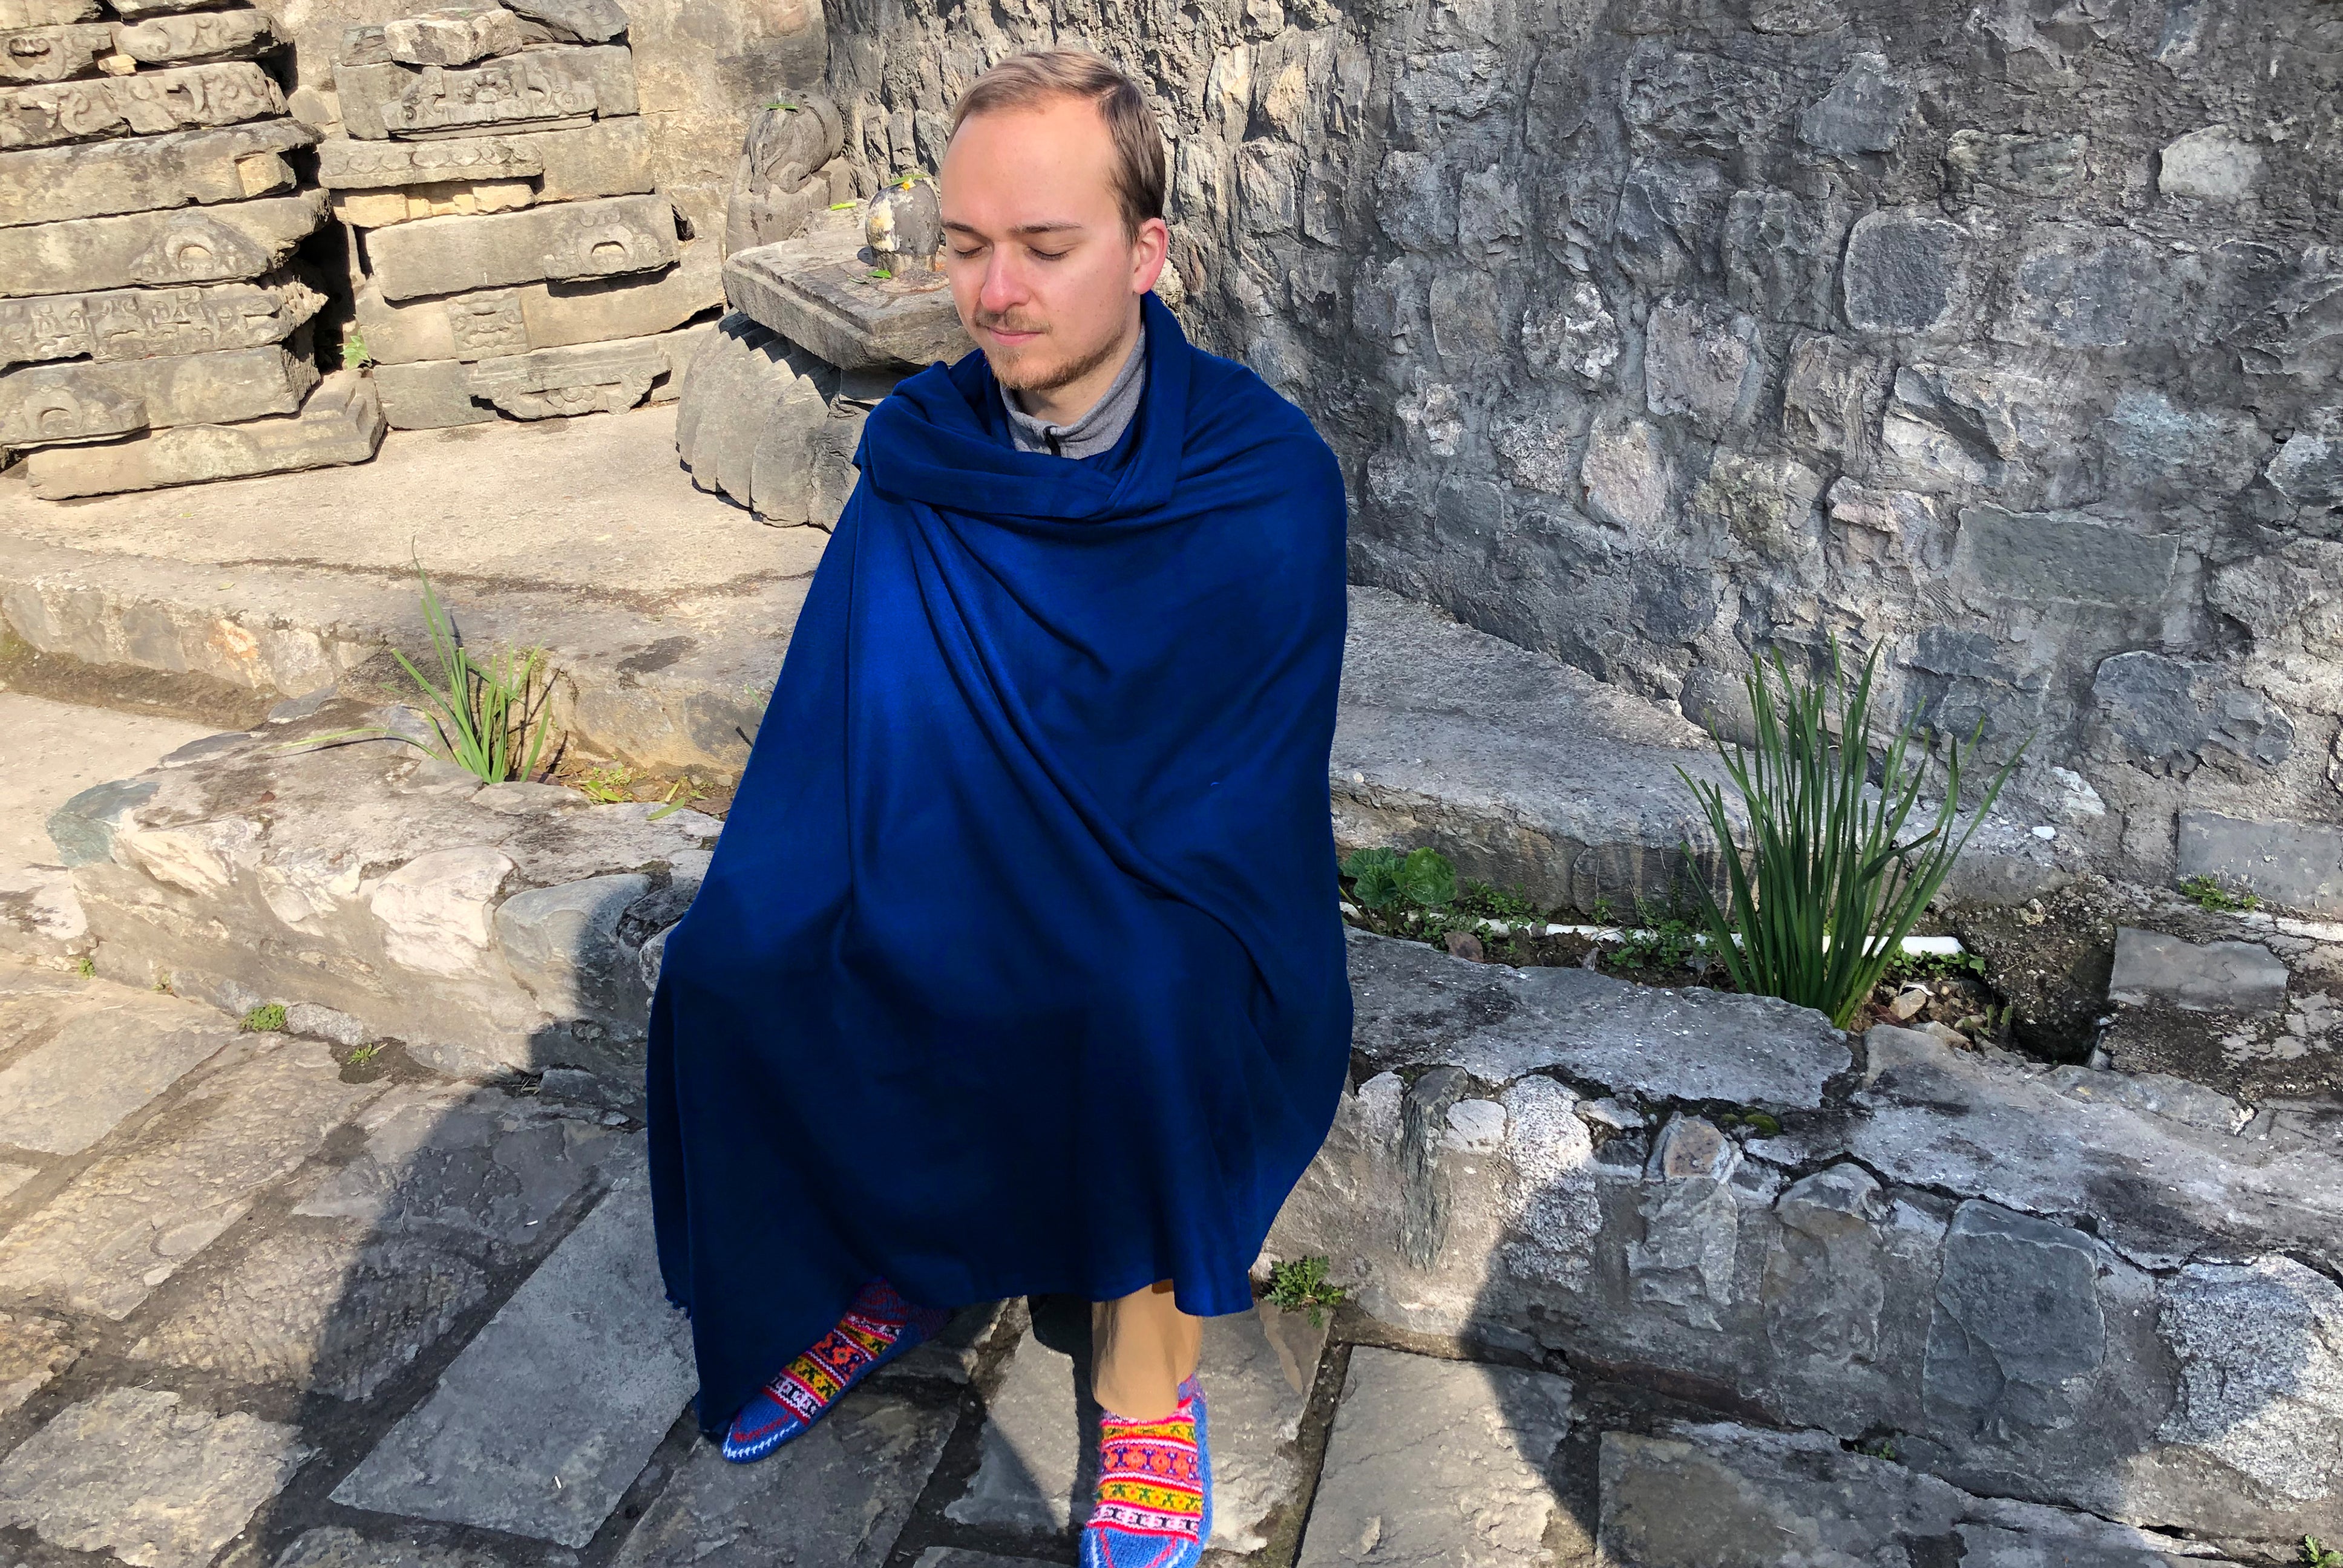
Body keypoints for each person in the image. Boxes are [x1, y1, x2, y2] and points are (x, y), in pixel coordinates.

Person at [644, 47, 1352, 1568]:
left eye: (1045, 246)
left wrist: (1044, 889)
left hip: (1165, 881)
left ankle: (1147, 1391)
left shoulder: (1262, 475)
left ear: (1148, 253)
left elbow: (1239, 784)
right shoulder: (921, 456)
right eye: (965, 247)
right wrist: (847, 877)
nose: (996, 290)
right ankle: (869, 1272)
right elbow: (846, 717)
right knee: (736, 960)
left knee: (1144, 993)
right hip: (933, 841)